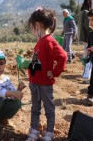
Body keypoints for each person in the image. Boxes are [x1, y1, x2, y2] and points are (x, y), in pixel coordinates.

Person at [26, 8, 67, 141]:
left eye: (32, 27)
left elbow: (63, 56)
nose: (32, 31)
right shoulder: (40, 41)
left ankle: (49, 134)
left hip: (44, 83)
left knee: (49, 109)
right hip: (34, 82)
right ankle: (34, 132)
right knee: (35, 108)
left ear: (37, 25)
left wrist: (54, 72)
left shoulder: (49, 41)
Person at [0, 49, 25, 136]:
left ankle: (3, 120)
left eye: (1, 63)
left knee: (17, 102)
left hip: (0, 105)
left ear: (5, 65)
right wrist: (13, 93)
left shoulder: (6, 79)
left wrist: (18, 90)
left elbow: (12, 95)